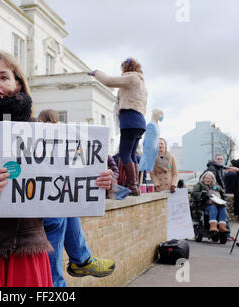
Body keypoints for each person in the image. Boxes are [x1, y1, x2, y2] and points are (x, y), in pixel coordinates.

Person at [0, 51, 114, 287]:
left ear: (18, 83)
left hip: (25, 253)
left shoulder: (39, 130)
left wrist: (99, 182)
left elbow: (66, 178)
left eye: (4, 77)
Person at [37, 109, 117, 287]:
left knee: (65, 208)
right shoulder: (30, 136)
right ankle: (75, 265)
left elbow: (106, 162)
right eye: (46, 126)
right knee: (56, 218)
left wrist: (107, 178)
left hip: (55, 198)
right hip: (36, 206)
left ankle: (81, 261)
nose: (51, 129)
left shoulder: (69, 139)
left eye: (55, 126)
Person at [89, 58, 148, 196]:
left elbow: (109, 81)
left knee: (124, 153)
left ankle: (133, 187)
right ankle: (136, 186)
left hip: (130, 119)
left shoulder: (131, 77)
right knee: (132, 154)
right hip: (139, 121)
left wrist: (96, 73)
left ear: (126, 68)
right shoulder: (142, 83)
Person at [139, 109, 163, 181]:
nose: (162, 117)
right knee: (143, 172)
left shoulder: (156, 125)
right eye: (161, 114)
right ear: (156, 114)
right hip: (149, 152)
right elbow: (147, 142)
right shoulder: (151, 125)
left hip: (153, 152)